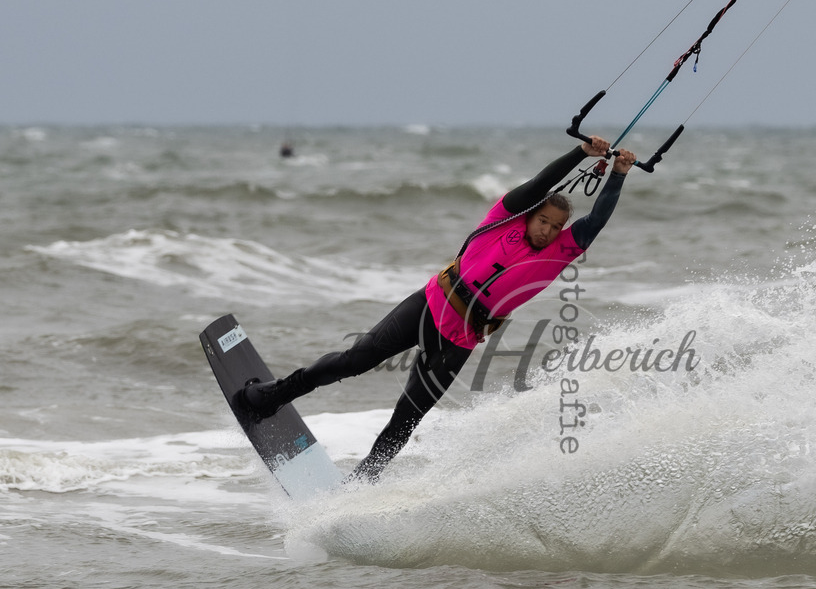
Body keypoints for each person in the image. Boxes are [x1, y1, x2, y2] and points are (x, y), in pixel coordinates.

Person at [237, 135, 637, 482]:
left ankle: (363, 482)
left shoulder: (558, 253)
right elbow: (539, 184)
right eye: (543, 221)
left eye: (555, 226)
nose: (546, 230)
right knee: (353, 360)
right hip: (430, 304)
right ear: (530, 215)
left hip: (462, 336)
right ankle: (272, 396)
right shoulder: (504, 220)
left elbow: (596, 220)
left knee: (408, 416)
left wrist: (617, 174)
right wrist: (581, 152)